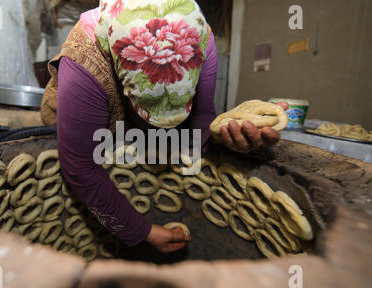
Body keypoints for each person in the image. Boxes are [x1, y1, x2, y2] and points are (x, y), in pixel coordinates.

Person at [40, 0, 287, 254]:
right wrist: (138, 231)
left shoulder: (201, 37)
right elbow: (80, 166)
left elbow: (202, 118)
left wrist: (226, 134)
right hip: (92, 123)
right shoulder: (83, 61)